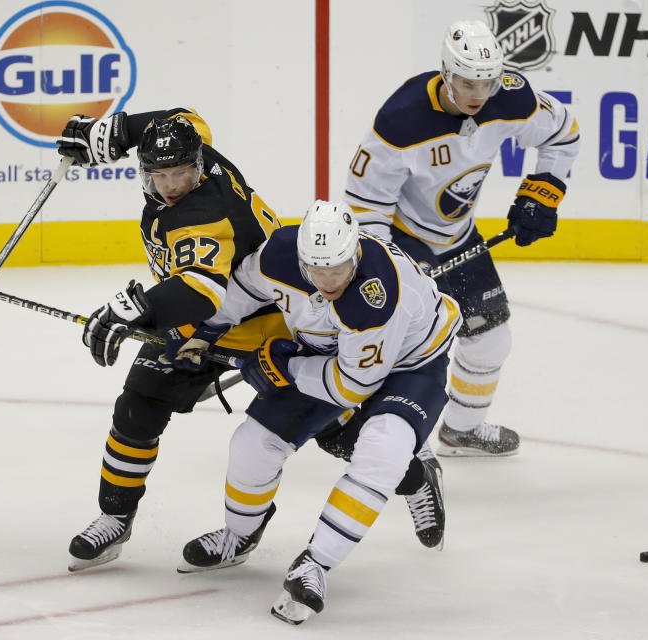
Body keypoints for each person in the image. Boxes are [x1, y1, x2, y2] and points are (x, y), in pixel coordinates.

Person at [177, 201, 460, 625]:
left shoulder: (374, 294)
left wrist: (284, 367)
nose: (328, 282)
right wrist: (203, 331)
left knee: (383, 449)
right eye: (317, 271)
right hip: (333, 354)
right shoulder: (279, 253)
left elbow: (353, 386)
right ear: (302, 259)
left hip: (412, 361)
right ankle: (238, 537)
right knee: (253, 444)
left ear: (355, 254)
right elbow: (241, 289)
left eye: (338, 270)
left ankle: (316, 564)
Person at [55, 108, 291, 571]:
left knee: (321, 424)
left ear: (197, 166)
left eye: (181, 173)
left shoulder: (203, 212)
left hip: (267, 323)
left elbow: (203, 290)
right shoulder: (196, 143)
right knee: (137, 406)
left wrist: (136, 308)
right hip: (196, 321)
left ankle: (411, 471)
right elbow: (180, 116)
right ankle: (115, 518)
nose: (170, 185)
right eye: (159, 175)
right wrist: (115, 132)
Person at [343, 20, 580, 456]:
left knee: (491, 337)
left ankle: (462, 429)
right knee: (401, 348)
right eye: (468, 82)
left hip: (458, 238)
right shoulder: (401, 120)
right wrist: (395, 267)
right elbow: (364, 209)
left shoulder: (510, 97)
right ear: (446, 73)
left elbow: (563, 133)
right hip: (401, 239)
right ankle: (384, 438)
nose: (477, 94)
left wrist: (541, 195)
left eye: (486, 83)